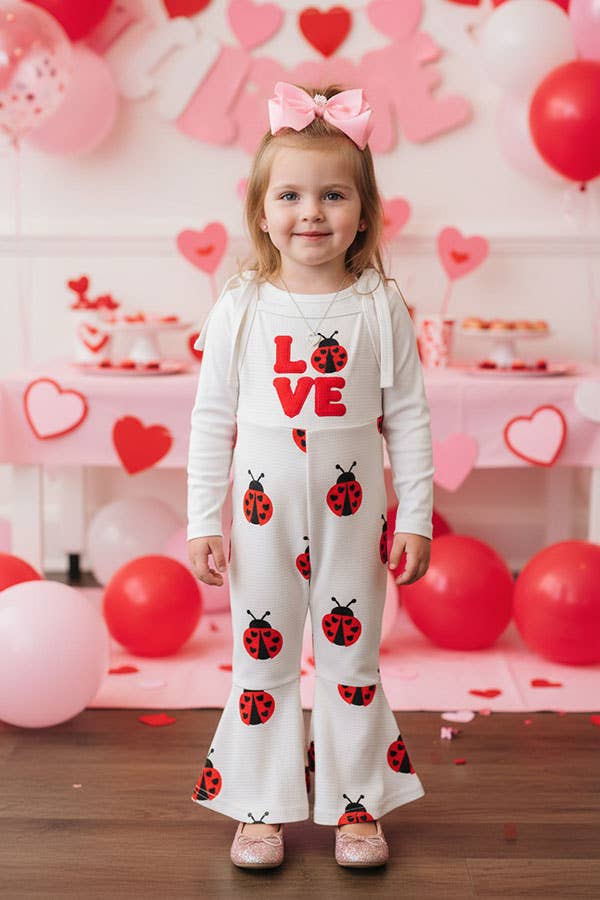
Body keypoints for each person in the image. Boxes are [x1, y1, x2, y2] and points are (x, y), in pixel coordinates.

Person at [187, 81, 434, 870]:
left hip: (353, 516)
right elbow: (212, 421)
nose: (312, 213)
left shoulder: (379, 305)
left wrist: (417, 515)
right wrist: (203, 520)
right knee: (261, 661)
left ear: (364, 212)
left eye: (333, 195)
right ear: (262, 212)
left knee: (350, 659)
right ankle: (259, 806)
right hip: (262, 516)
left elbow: (410, 419)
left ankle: (356, 804)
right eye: (290, 195)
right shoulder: (241, 306)